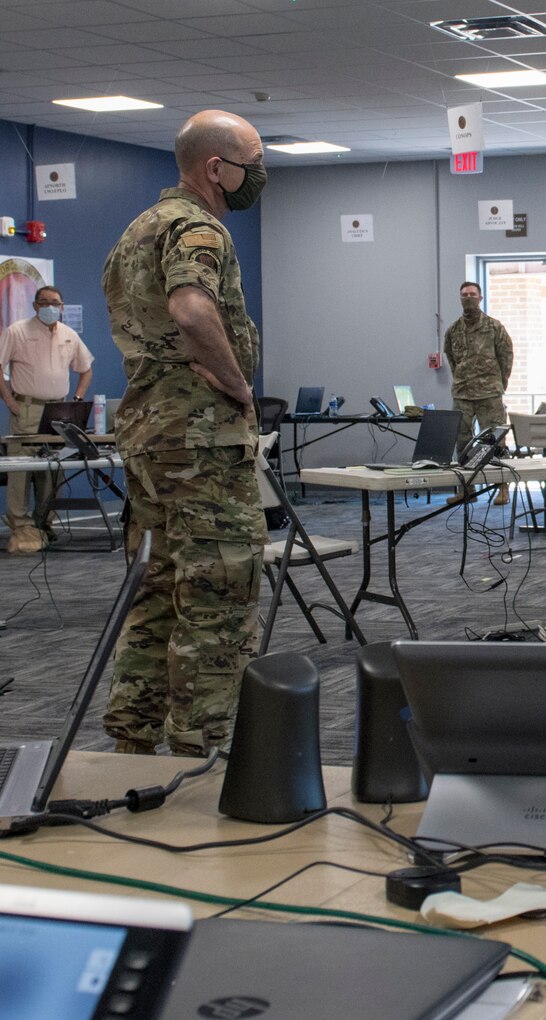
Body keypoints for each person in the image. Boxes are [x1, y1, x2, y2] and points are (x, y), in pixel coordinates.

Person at [99, 109, 266, 757]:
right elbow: (192, 306)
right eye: (252, 166)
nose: (259, 178)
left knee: (160, 584)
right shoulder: (199, 229)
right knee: (220, 587)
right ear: (214, 169)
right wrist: (238, 384)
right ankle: (203, 749)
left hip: (146, 430)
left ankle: (131, 738)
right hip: (198, 436)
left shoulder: (137, 229)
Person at [1, 285, 94, 554]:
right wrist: (9, 401)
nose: (49, 307)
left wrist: (76, 400)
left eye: (54, 302)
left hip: (59, 410)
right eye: (44, 302)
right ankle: (20, 524)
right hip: (27, 407)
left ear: (62, 306)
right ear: (35, 305)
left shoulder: (69, 335)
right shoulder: (17, 331)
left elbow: (85, 369)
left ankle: (44, 523)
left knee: (53, 468)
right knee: (20, 468)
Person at [443, 279, 513, 504]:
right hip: (462, 394)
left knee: (496, 441)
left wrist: (498, 384)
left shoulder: (494, 327)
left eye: (473, 294)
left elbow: (506, 356)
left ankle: (502, 486)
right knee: (461, 442)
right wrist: (463, 381)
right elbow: (452, 361)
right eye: (464, 294)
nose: (468, 298)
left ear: (481, 297)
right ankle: (467, 489)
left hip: (489, 394)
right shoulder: (453, 330)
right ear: (460, 298)